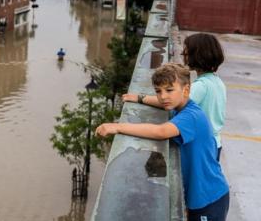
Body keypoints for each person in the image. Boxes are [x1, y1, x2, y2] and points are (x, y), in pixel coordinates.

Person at [96, 63, 229, 221]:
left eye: (169, 90)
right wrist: (140, 98)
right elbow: (163, 102)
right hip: (200, 196)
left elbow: (161, 132)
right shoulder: (180, 107)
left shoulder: (191, 116)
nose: (163, 96)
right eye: (158, 91)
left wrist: (117, 127)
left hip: (209, 199)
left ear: (186, 90)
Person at [122, 33, 226, 161]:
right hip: (215, 141)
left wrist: (140, 98)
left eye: (186, 53)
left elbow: (173, 102)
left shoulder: (202, 86)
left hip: (204, 146)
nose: (183, 56)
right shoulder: (216, 81)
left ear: (197, 55)